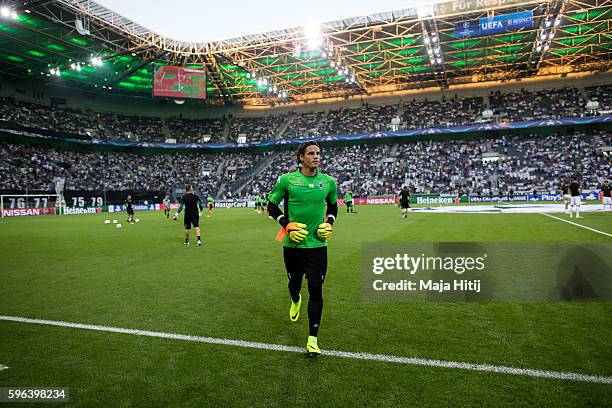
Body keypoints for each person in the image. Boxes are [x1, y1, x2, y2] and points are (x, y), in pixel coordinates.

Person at [267, 141, 338, 356]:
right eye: (311, 153)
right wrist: (285, 224)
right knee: (294, 284)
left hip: (318, 245)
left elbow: (333, 206)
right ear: (301, 157)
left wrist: (330, 222)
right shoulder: (287, 180)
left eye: (318, 153)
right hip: (293, 245)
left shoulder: (328, 182)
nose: (316, 157)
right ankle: (295, 299)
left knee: (316, 289)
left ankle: (312, 339)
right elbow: (271, 205)